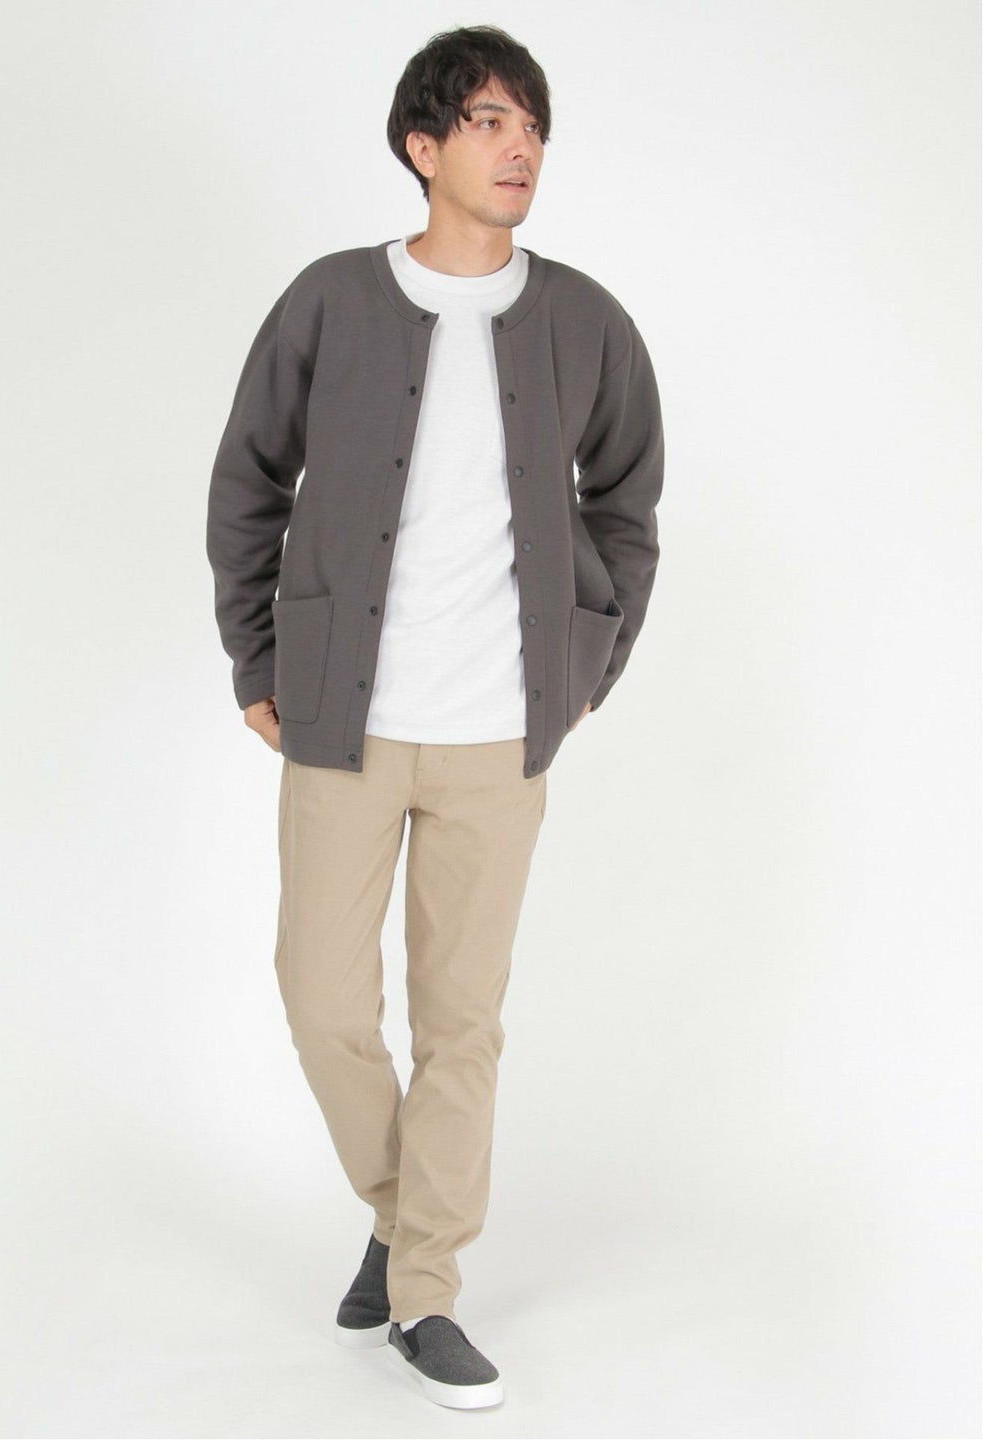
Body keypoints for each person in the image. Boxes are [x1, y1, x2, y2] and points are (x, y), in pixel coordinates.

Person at [205, 24, 664, 1411]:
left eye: (533, 126)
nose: (520, 148)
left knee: (463, 1024)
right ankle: (404, 1214)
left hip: (498, 735)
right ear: (423, 146)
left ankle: (425, 1291)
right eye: (488, 122)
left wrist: (585, 665)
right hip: (342, 721)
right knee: (321, 999)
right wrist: (256, 657)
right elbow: (248, 480)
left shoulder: (585, 321)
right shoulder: (331, 302)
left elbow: (627, 503)